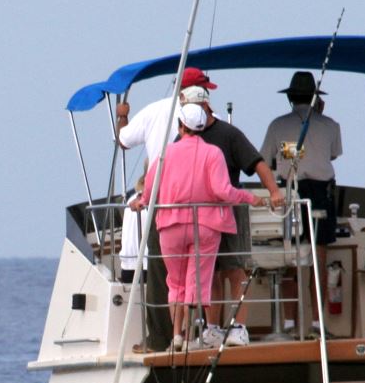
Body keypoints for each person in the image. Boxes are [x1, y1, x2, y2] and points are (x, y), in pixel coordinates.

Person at [128, 95, 263, 350]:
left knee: (174, 284)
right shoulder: (213, 154)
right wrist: (250, 198)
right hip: (206, 227)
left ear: (180, 125)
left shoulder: (165, 155)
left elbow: (150, 191)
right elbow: (224, 191)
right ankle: (191, 339)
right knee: (196, 282)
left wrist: (140, 202)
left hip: (170, 226)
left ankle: (177, 336)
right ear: (203, 126)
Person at [116, 67, 219, 350]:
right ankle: (195, 336)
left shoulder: (152, 111)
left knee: (164, 276)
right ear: (194, 92)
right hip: (201, 211)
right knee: (197, 276)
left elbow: (122, 140)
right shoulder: (212, 119)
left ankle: (163, 338)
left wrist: (123, 114)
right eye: (204, 89)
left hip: (160, 206)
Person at [199, 102, 286, 346]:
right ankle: (212, 329)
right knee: (210, 274)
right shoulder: (184, 135)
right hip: (202, 216)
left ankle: (238, 328)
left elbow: (257, 163)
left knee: (235, 270)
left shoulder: (229, 134)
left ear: (206, 106)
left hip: (231, 211)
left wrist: (274, 191)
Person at [263, 72, 342, 330]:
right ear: (316, 99)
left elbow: (265, 158)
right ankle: (318, 323)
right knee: (317, 259)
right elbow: (333, 154)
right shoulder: (330, 124)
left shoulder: (276, 125)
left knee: (289, 256)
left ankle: (288, 322)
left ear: (289, 97)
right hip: (321, 193)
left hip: (290, 193)